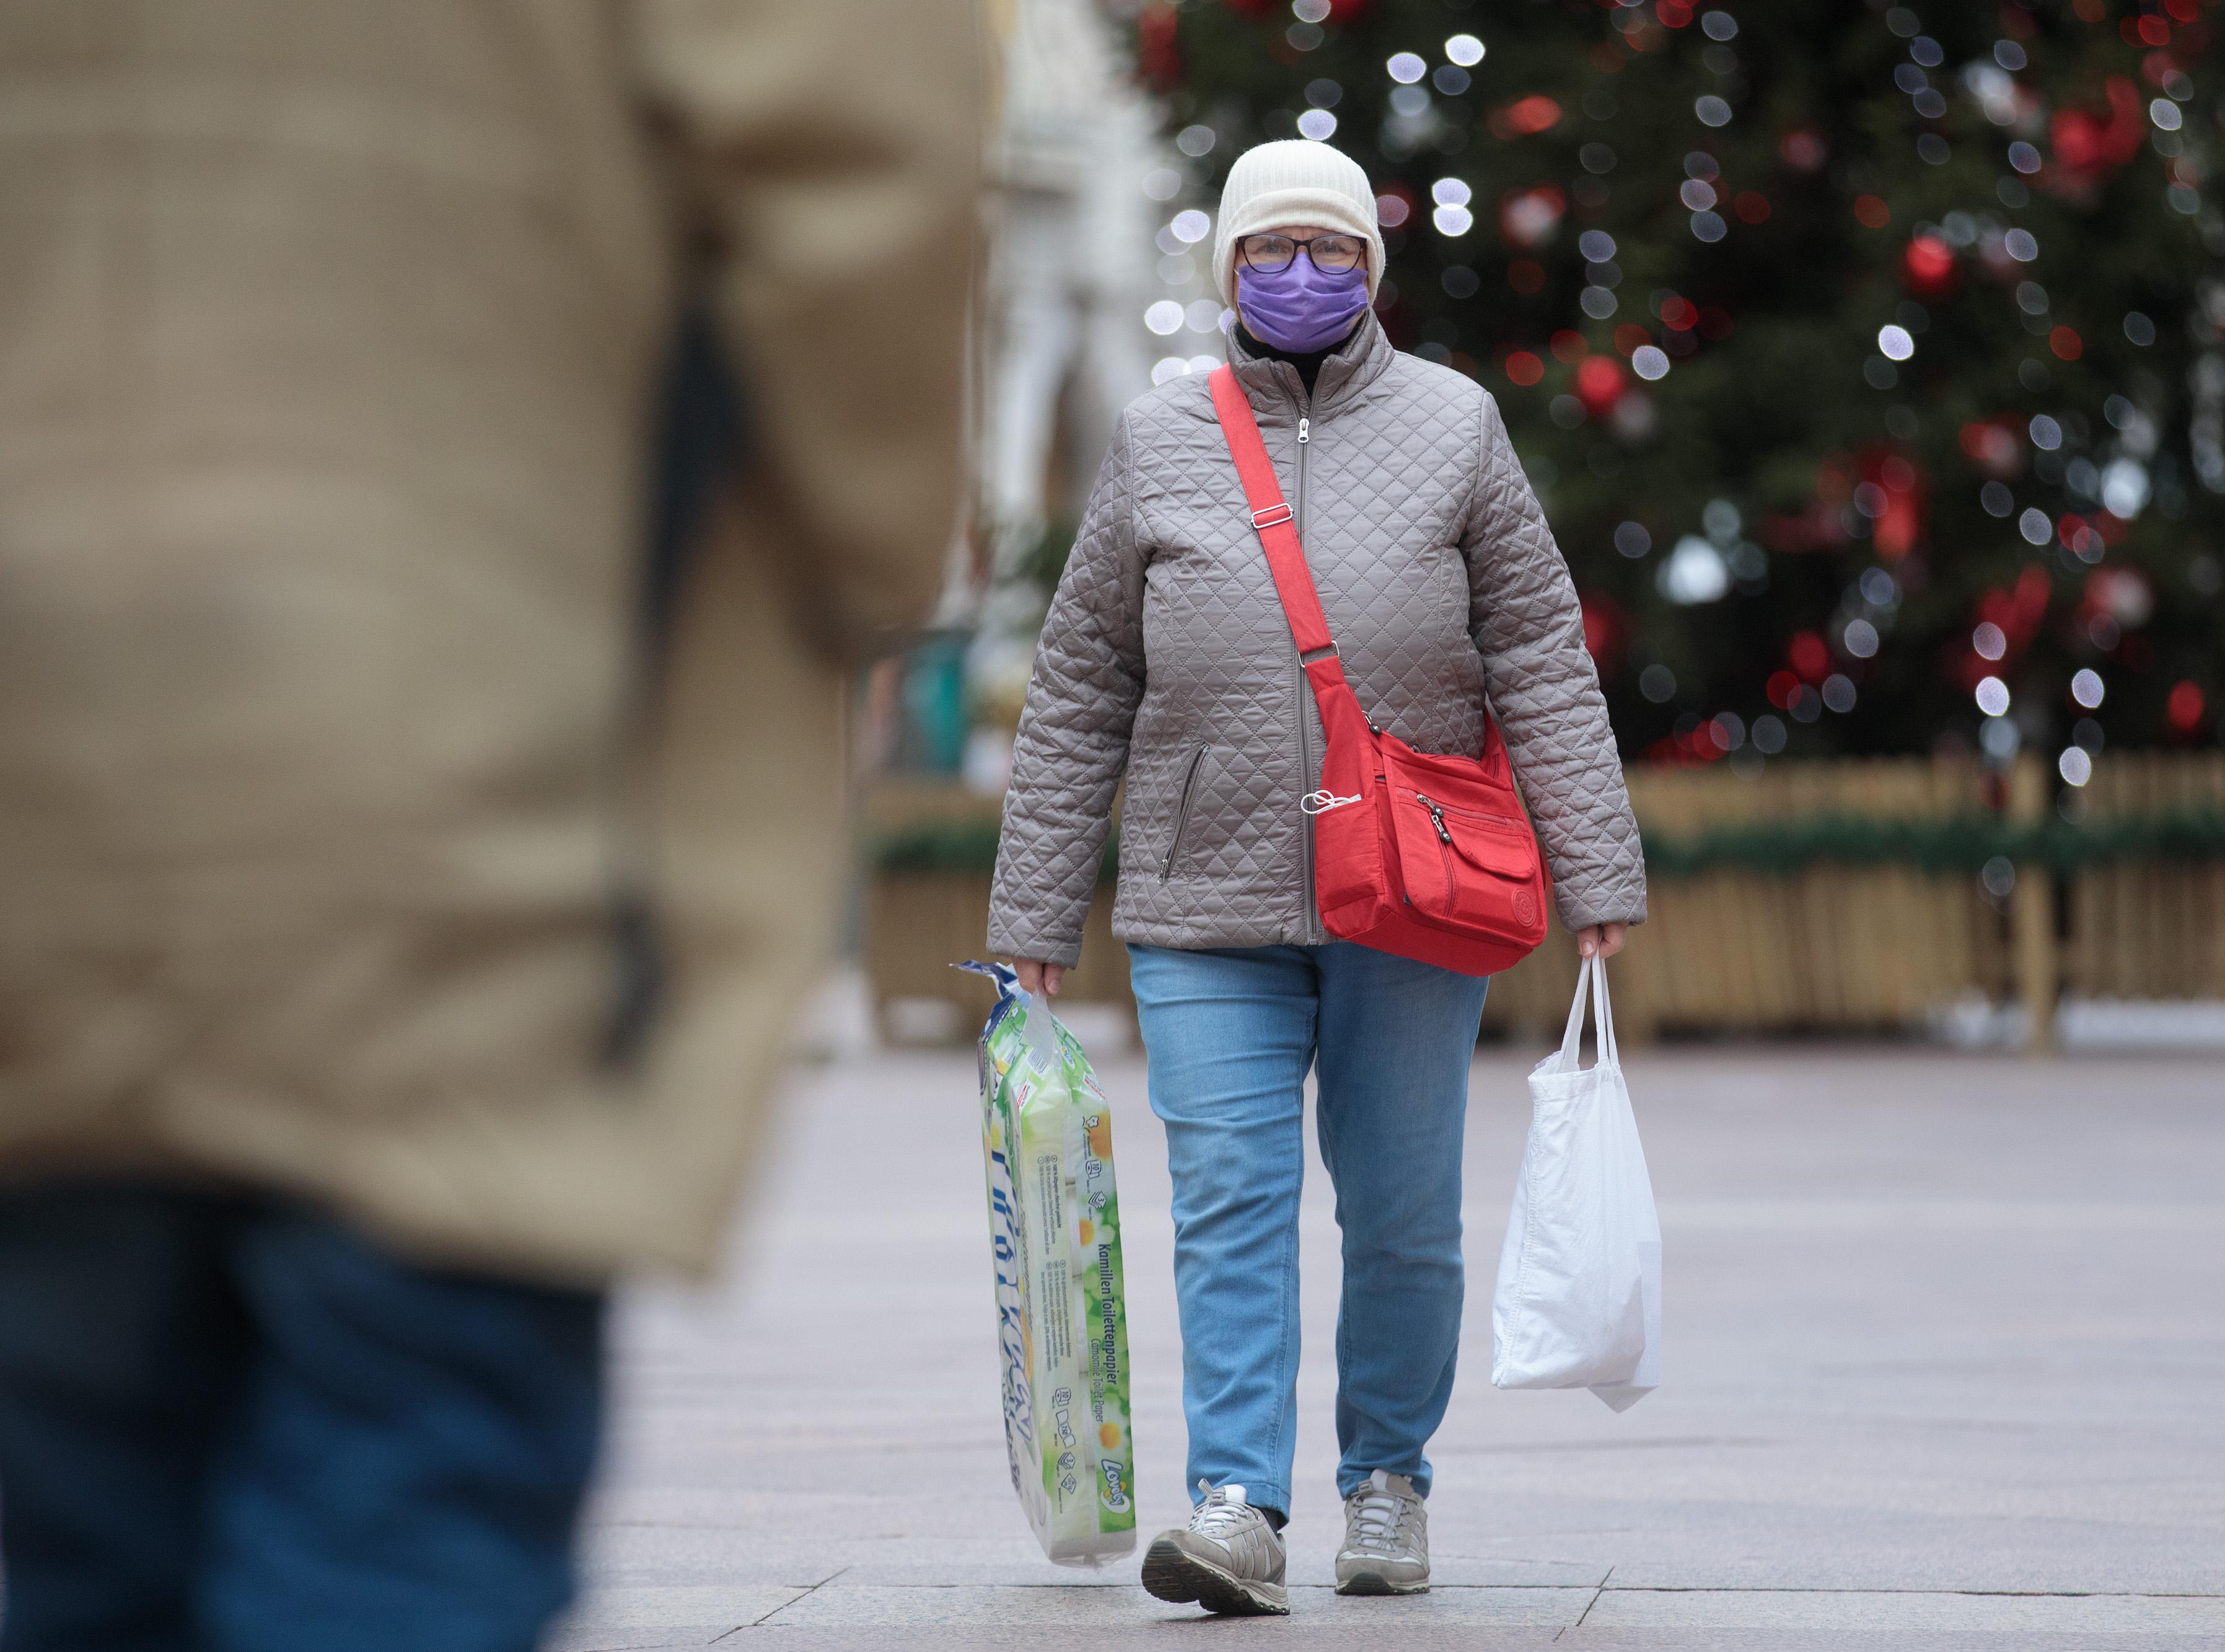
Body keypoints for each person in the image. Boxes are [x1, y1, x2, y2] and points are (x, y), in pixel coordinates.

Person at [0, 5, 978, 1648]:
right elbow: (853, 155)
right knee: (400, 1494)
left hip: (46, 782)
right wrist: (866, 551)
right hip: (467, 751)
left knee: (81, 1522)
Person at [988, 139, 1648, 1617]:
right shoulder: (1158, 440)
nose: (1301, 275)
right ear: (1225, 269)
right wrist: (1030, 911)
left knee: (1403, 1205)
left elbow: (1540, 654)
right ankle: (1235, 1502)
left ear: (1371, 271)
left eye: (1330, 251)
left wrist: (1594, 865)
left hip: (1411, 890)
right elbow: (1083, 675)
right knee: (1228, 1191)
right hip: (1199, 896)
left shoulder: (1457, 428)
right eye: (1270, 251)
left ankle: (1386, 1480)